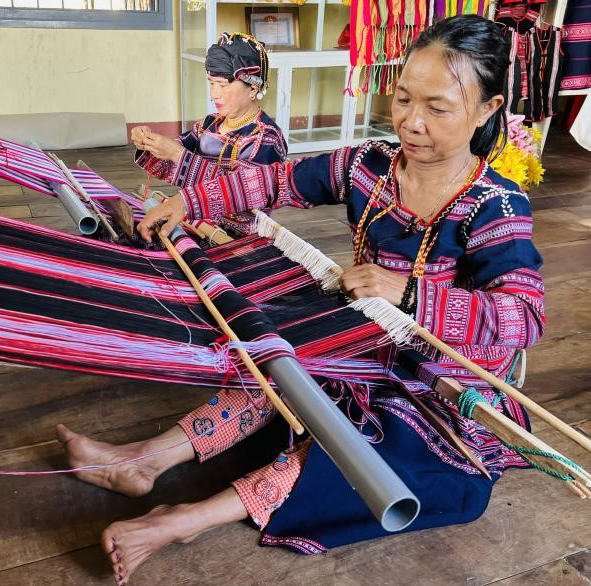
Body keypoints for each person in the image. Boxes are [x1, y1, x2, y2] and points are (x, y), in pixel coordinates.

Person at [57, 15, 546, 585]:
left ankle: (186, 520)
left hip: (442, 386)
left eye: (437, 108)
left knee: (368, 452)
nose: (412, 121)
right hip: (365, 347)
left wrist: (408, 292)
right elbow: (272, 181)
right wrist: (192, 201)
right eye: (404, 97)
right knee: (275, 356)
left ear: (488, 109)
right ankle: (145, 460)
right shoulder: (370, 167)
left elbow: (523, 318)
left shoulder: (497, 206)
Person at [130, 32, 287, 235]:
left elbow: (243, 199)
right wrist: (149, 142)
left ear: (253, 88)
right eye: (211, 83)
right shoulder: (210, 123)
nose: (214, 94)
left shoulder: (266, 138)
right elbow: (171, 158)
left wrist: (178, 155)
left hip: (234, 238)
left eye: (222, 85)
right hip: (194, 222)